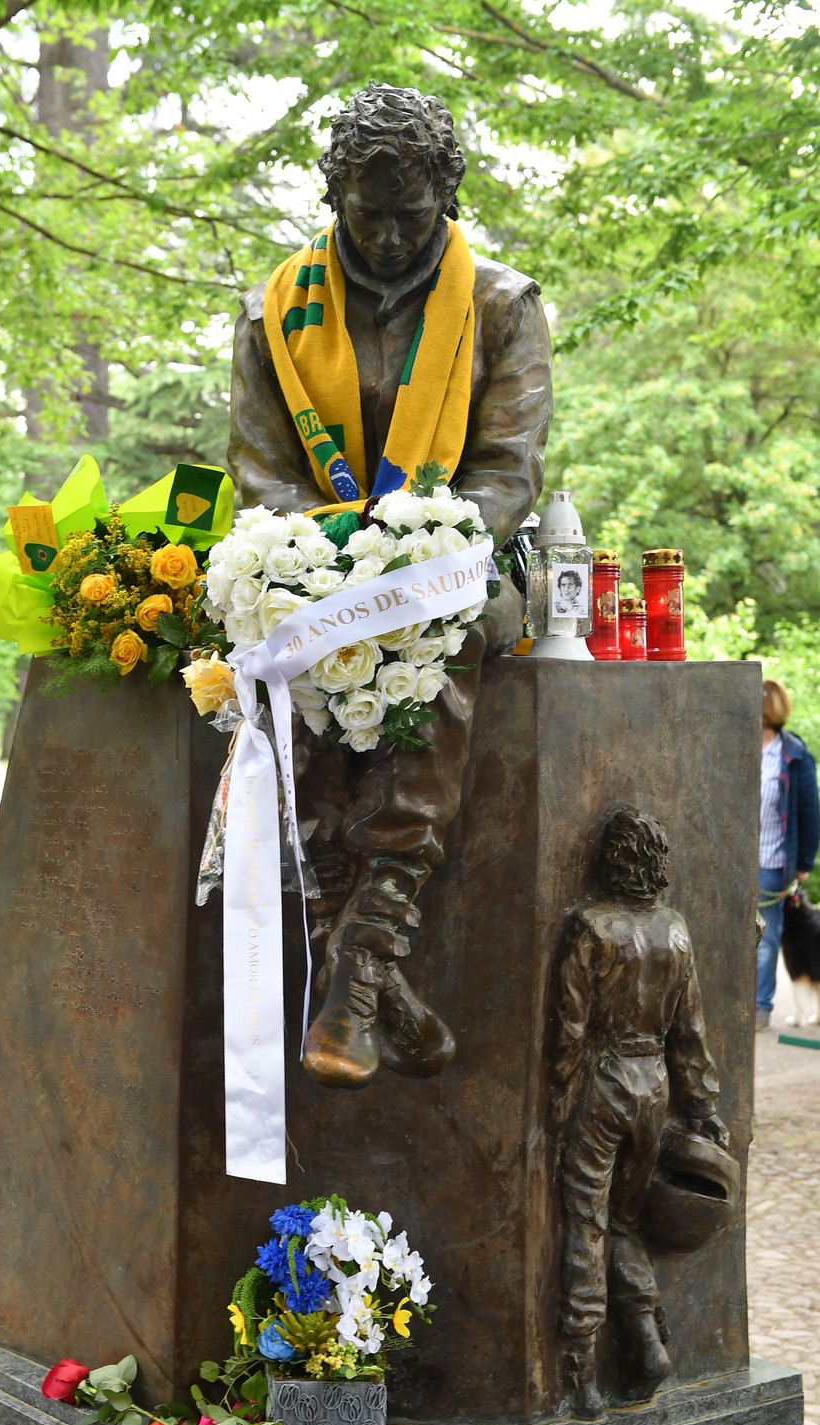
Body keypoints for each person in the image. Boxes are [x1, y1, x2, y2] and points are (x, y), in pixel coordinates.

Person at [228, 83, 552, 1089]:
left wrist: (418, 556)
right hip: (315, 557)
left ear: (447, 195)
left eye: (410, 216)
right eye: (365, 213)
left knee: (438, 631)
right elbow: (260, 470)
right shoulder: (275, 309)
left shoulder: (504, 303)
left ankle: (356, 961)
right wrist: (329, 559)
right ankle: (363, 979)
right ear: (334, 193)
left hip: (469, 561)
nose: (385, 235)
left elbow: (508, 472)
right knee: (276, 633)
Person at [551, 806, 730, 1418]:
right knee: (623, 1221)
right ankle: (648, 1343)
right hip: (653, 1085)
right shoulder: (675, 931)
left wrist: (557, 1102)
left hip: (603, 1083)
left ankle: (581, 1377)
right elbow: (691, 1033)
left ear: (612, 861)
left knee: (587, 1220)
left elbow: (570, 1029)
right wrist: (702, 1107)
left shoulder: (591, 927)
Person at [756, 679, 820, 1029]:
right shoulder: (737, 746)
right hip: (736, 861)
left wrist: (804, 863)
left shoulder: (794, 755)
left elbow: (810, 811)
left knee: (765, 937)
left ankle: (760, 1008)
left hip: (774, 861)